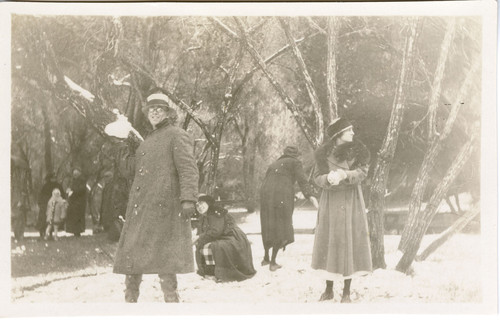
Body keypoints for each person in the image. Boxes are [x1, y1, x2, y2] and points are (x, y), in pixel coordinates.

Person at [112, 87, 199, 303]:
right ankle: (130, 304)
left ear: (169, 113)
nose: (155, 112)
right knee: (132, 262)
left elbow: (188, 169)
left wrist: (188, 199)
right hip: (141, 211)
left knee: (166, 265)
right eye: (151, 109)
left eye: (160, 109)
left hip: (164, 211)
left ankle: (171, 303)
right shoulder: (146, 143)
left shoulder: (177, 135)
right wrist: (121, 144)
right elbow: (130, 169)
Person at [311, 118, 372, 303]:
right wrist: (327, 178)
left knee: (349, 242)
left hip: (351, 200)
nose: (353, 133)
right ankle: (328, 289)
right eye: (349, 130)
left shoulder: (359, 151)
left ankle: (346, 292)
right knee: (330, 241)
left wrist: (346, 174)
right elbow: (316, 177)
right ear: (339, 135)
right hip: (330, 202)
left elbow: (363, 172)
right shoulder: (323, 155)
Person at [259, 146, 318, 271]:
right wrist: (310, 195)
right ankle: (273, 262)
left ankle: (266, 257)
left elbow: (269, 181)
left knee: (268, 223)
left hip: (266, 195)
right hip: (282, 195)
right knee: (281, 225)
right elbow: (302, 180)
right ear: (296, 155)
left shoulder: (273, 164)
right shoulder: (295, 162)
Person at [193, 195, 256, 282]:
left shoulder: (215, 213)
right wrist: (198, 238)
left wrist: (199, 238)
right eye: (197, 205)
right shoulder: (204, 216)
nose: (200, 207)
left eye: (201, 203)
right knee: (203, 245)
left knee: (213, 247)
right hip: (222, 236)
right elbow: (203, 232)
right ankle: (210, 271)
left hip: (232, 236)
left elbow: (215, 231)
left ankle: (218, 273)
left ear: (208, 203)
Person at [37, 173, 64, 239]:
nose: (54, 179)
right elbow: (41, 196)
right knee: (45, 218)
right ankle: (43, 231)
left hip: (56, 206)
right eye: (52, 178)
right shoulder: (46, 186)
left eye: (55, 178)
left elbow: (62, 195)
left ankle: (52, 233)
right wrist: (41, 203)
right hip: (46, 205)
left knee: (54, 220)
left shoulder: (58, 186)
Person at [65, 167, 87, 237]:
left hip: (79, 202)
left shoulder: (82, 181)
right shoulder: (72, 181)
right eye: (74, 174)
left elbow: (81, 190)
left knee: (78, 217)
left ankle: (78, 232)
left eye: (76, 174)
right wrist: (68, 191)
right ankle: (73, 231)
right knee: (73, 217)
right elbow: (70, 188)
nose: (75, 175)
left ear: (79, 174)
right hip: (73, 201)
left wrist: (73, 191)